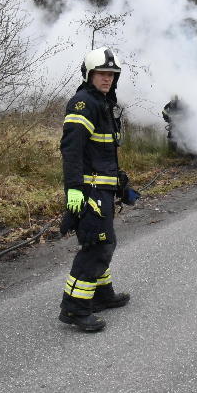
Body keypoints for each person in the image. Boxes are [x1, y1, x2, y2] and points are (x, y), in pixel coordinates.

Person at [59, 47, 130, 332]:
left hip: (103, 190)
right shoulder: (83, 103)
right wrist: (74, 190)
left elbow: (101, 152)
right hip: (88, 192)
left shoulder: (103, 103)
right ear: (89, 75)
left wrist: (120, 181)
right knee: (96, 245)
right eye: (102, 73)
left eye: (112, 75)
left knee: (105, 241)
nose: (107, 79)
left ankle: (101, 294)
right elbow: (71, 150)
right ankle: (75, 309)